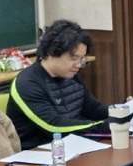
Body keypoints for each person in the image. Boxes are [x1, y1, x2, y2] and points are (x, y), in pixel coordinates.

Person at [8, 19, 110, 149]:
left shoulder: (70, 75)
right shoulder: (26, 84)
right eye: (74, 58)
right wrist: (103, 126)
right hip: (37, 153)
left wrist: (123, 110)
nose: (79, 65)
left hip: (70, 147)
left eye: (81, 59)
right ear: (51, 52)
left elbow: (93, 109)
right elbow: (54, 126)